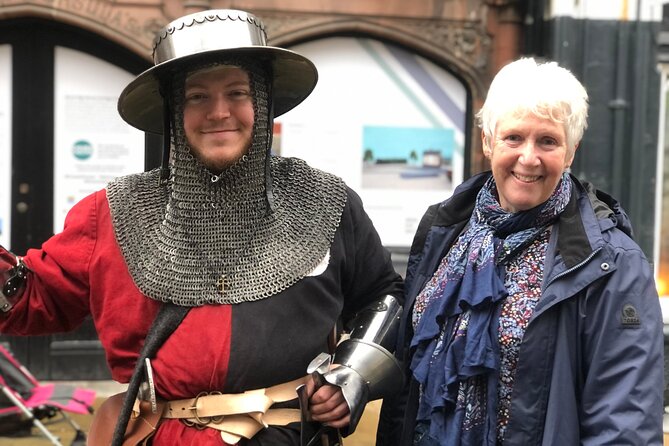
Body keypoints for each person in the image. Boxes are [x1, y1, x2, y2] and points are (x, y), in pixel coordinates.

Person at [0, 9, 405, 445]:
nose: (218, 112)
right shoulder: (116, 212)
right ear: (174, 110)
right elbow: (30, 297)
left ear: (262, 102)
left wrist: (350, 374)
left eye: (237, 92)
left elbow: (384, 297)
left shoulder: (323, 201)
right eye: (196, 96)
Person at [376, 57, 664, 445]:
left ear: (571, 151)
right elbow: (410, 379)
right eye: (514, 137)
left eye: (548, 141)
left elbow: (623, 422)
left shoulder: (613, 262)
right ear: (488, 141)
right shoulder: (445, 228)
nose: (529, 158)